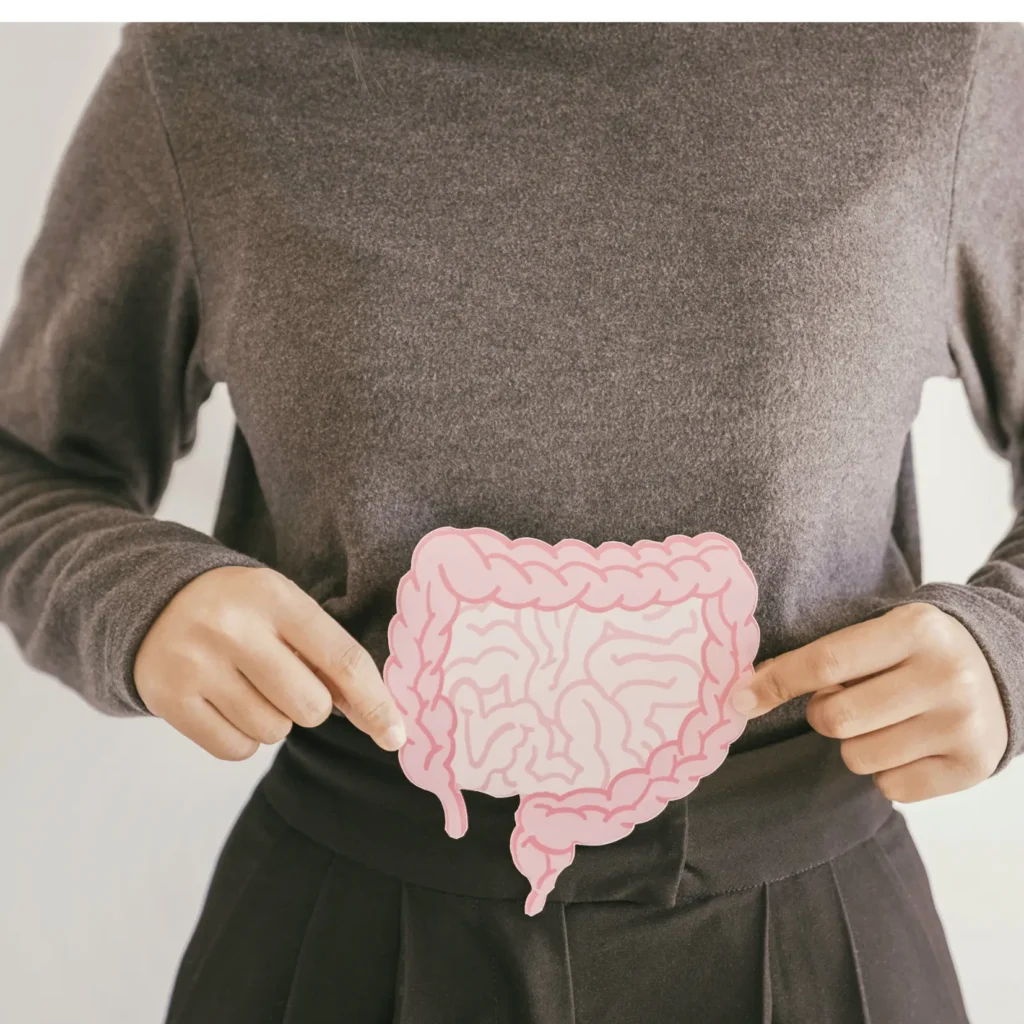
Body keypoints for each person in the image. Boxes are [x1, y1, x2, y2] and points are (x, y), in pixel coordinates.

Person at [0, 20, 1021, 1023]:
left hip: (811, 928)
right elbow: (28, 465)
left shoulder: (940, 59)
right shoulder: (208, 67)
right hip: (353, 924)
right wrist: (140, 596)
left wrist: (1005, 644)